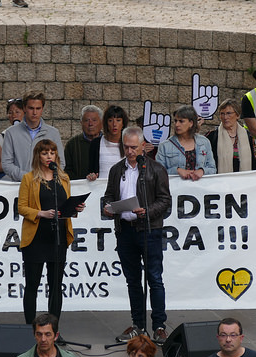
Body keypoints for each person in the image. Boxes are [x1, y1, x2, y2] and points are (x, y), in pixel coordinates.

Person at [103, 127, 171, 344]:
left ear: (143, 146)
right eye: (126, 147)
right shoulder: (116, 170)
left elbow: (165, 200)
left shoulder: (156, 169)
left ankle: (159, 326)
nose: (130, 151)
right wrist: (107, 207)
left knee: (154, 278)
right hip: (125, 230)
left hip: (149, 230)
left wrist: (147, 211)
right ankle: (138, 324)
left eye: (133, 147)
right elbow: (108, 195)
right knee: (133, 280)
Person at [18, 140, 84, 324]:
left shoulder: (63, 179)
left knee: (56, 286)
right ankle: (30, 329)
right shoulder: (29, 179)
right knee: (32, 284)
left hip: (58, 237)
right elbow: (21, 207)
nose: (49, 156)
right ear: (38, 156)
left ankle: (53, 329)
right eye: (45, 153)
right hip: (36, 238)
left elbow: (65, 206)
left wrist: (75, 208)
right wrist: (41, 213)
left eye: (52, 153)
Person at [2, 91, 64, 182]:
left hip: (46, 185)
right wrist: (27, 178)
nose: (34, 112)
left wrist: (45, 178)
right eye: (31, 108)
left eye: (38, 108)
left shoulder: (53, 133)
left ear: (42, 109)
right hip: (19, 185)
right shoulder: (11, 133)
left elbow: (60, 162)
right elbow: (6, 164)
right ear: (24, 108)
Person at [156, 105, 216, 179]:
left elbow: (212, 168)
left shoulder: (204, 142)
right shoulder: (165, 146)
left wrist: (202, 171)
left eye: (181, 121)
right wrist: (177, 170)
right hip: (175, 186)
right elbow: (158, 172)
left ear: (191, 123)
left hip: (200, 185)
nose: (177, 124)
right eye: (175, 121)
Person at [206, 99, 256, 173]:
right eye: (222, 114)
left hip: (243, 179)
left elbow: (253, 163)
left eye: (229, 113)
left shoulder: (248, 137)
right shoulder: (212, 136)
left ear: (237, 115)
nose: (225, 117)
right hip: (220, 179)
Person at [0, 97, 25, 179]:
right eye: (10, 113)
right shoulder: (2, 138)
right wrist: (12, 166)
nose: (14, 115)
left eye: (17, 112)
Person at [88, 105, 128, 181]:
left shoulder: (128, 144)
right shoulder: (96, 143)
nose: (114, 124)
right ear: (106, 123)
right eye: (110, 120)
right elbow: (91, 170)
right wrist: (91, 176)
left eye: (118, 120)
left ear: (123, 123)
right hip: (101, 187)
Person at [64, 105, 103, 180]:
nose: (90, 124)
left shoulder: (106, 142)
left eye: (94, 120)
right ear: (81, 123)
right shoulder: (72, 144)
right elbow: (67, 169)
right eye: (86, 120)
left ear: (101, 123)